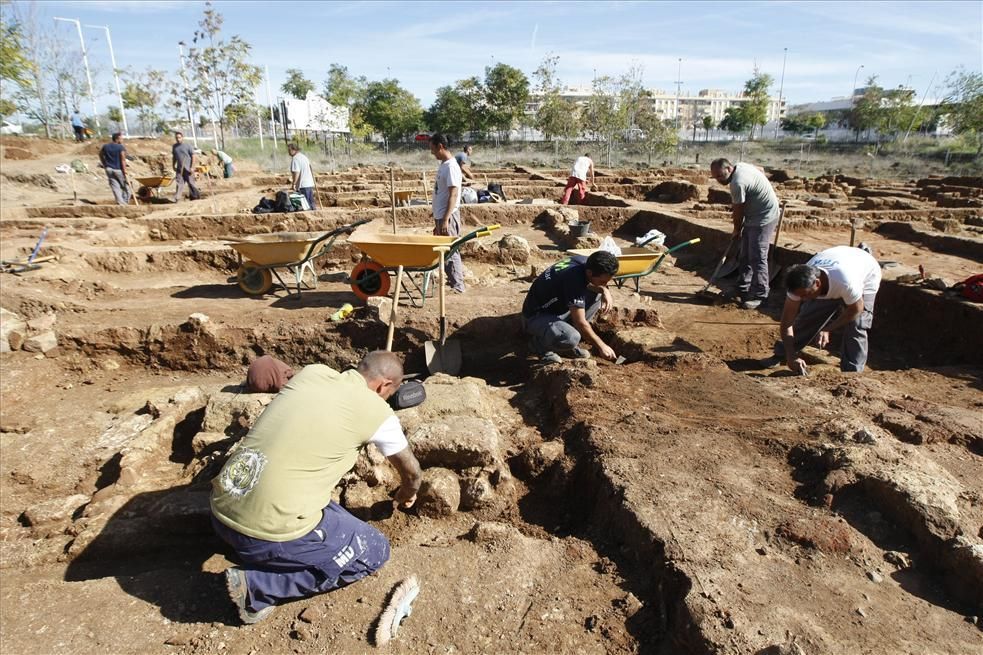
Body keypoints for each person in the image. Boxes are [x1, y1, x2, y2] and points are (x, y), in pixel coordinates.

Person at [210, 351, 423, 624]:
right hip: (264, 535)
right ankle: (257, 588)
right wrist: (408, 492)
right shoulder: (377, 411)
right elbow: (413, 472)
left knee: (328, 511)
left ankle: (264, 550)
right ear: (384, 386)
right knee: (375, 549)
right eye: (389, 394)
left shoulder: (313, 373)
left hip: (221, 510)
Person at [777, 246, 882, 374]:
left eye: (805, 295)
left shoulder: (846, 282)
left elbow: (856, 309)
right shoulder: (798, 284)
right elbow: (787, 322)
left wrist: (828, 328)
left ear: (817, 283)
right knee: (808, 316)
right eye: (800, 296)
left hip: (866, 271)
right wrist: (791, 356)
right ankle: (782, 354)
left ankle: (852, 372)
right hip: (838, 261)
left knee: (857, 324)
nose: (802, 299)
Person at [522, 250, 619, 364]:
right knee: (571, 337)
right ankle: (540, 346)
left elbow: (590, 286)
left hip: (557, 307)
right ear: (589, 273)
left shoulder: (585, 262)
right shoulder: (574, 279)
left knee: (597, 296)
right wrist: (602, 346)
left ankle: (565, 347)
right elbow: (580, 322)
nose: (605, 283)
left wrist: (604, 290)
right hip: (535, 316)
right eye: (602, 281)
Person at [710, 157, 780, 309]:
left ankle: (760, 294)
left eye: (720, 176)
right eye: (715, 177)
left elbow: (738, 211)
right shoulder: (740, 165)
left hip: (764, 217)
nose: (718, 180)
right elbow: (760, 169)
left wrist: (736, 229)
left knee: (757, 256)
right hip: (753, 215)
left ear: (729, 169)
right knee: (745, 254)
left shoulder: (737, 183)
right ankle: (742, 287)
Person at [429, 133, 465, 293]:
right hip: (441, 215)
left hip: (447, 216)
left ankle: (458, 286)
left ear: (440, 146)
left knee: (451, 250)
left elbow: (454, 194)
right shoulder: (444, 164)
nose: (431, 152)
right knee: (446, 250)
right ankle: (454, 282)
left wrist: (445, 220)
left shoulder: (451, 167)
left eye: (432, 148)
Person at [98, 132, 130, 206]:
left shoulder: (105, 146)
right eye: (121, 139)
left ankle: (121, 203)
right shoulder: (120, 147)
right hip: (118, 170)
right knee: (126, 187)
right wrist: (124, 170)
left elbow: (100, 154)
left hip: (108, 169)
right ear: (117, 139)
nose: (122, 140)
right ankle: (125, 202)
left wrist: (104, 164)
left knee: (115, 187)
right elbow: (123, 159)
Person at [171, 131, 201, 202]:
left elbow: (193, 156)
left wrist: (192, 167)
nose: (178, 139)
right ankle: (177, 198)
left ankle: (195, 197)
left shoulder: (188, 146)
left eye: (179, 137)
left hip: (188, 168)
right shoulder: (174, 147)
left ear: (182, 137)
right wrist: (173, 165)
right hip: (179, 169)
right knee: (179, 183)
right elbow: (174, 157)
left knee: (191, 183)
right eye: (176, 138)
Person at [288, 142, 316, 210]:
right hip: (309, 183)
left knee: (305, 206)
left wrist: (294, 184)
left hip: (302, 185)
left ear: (293, 150)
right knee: (311, 205)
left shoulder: (295, 159)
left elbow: (296, 172)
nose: (288, 152)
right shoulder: (304, 157)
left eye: (289, 150)